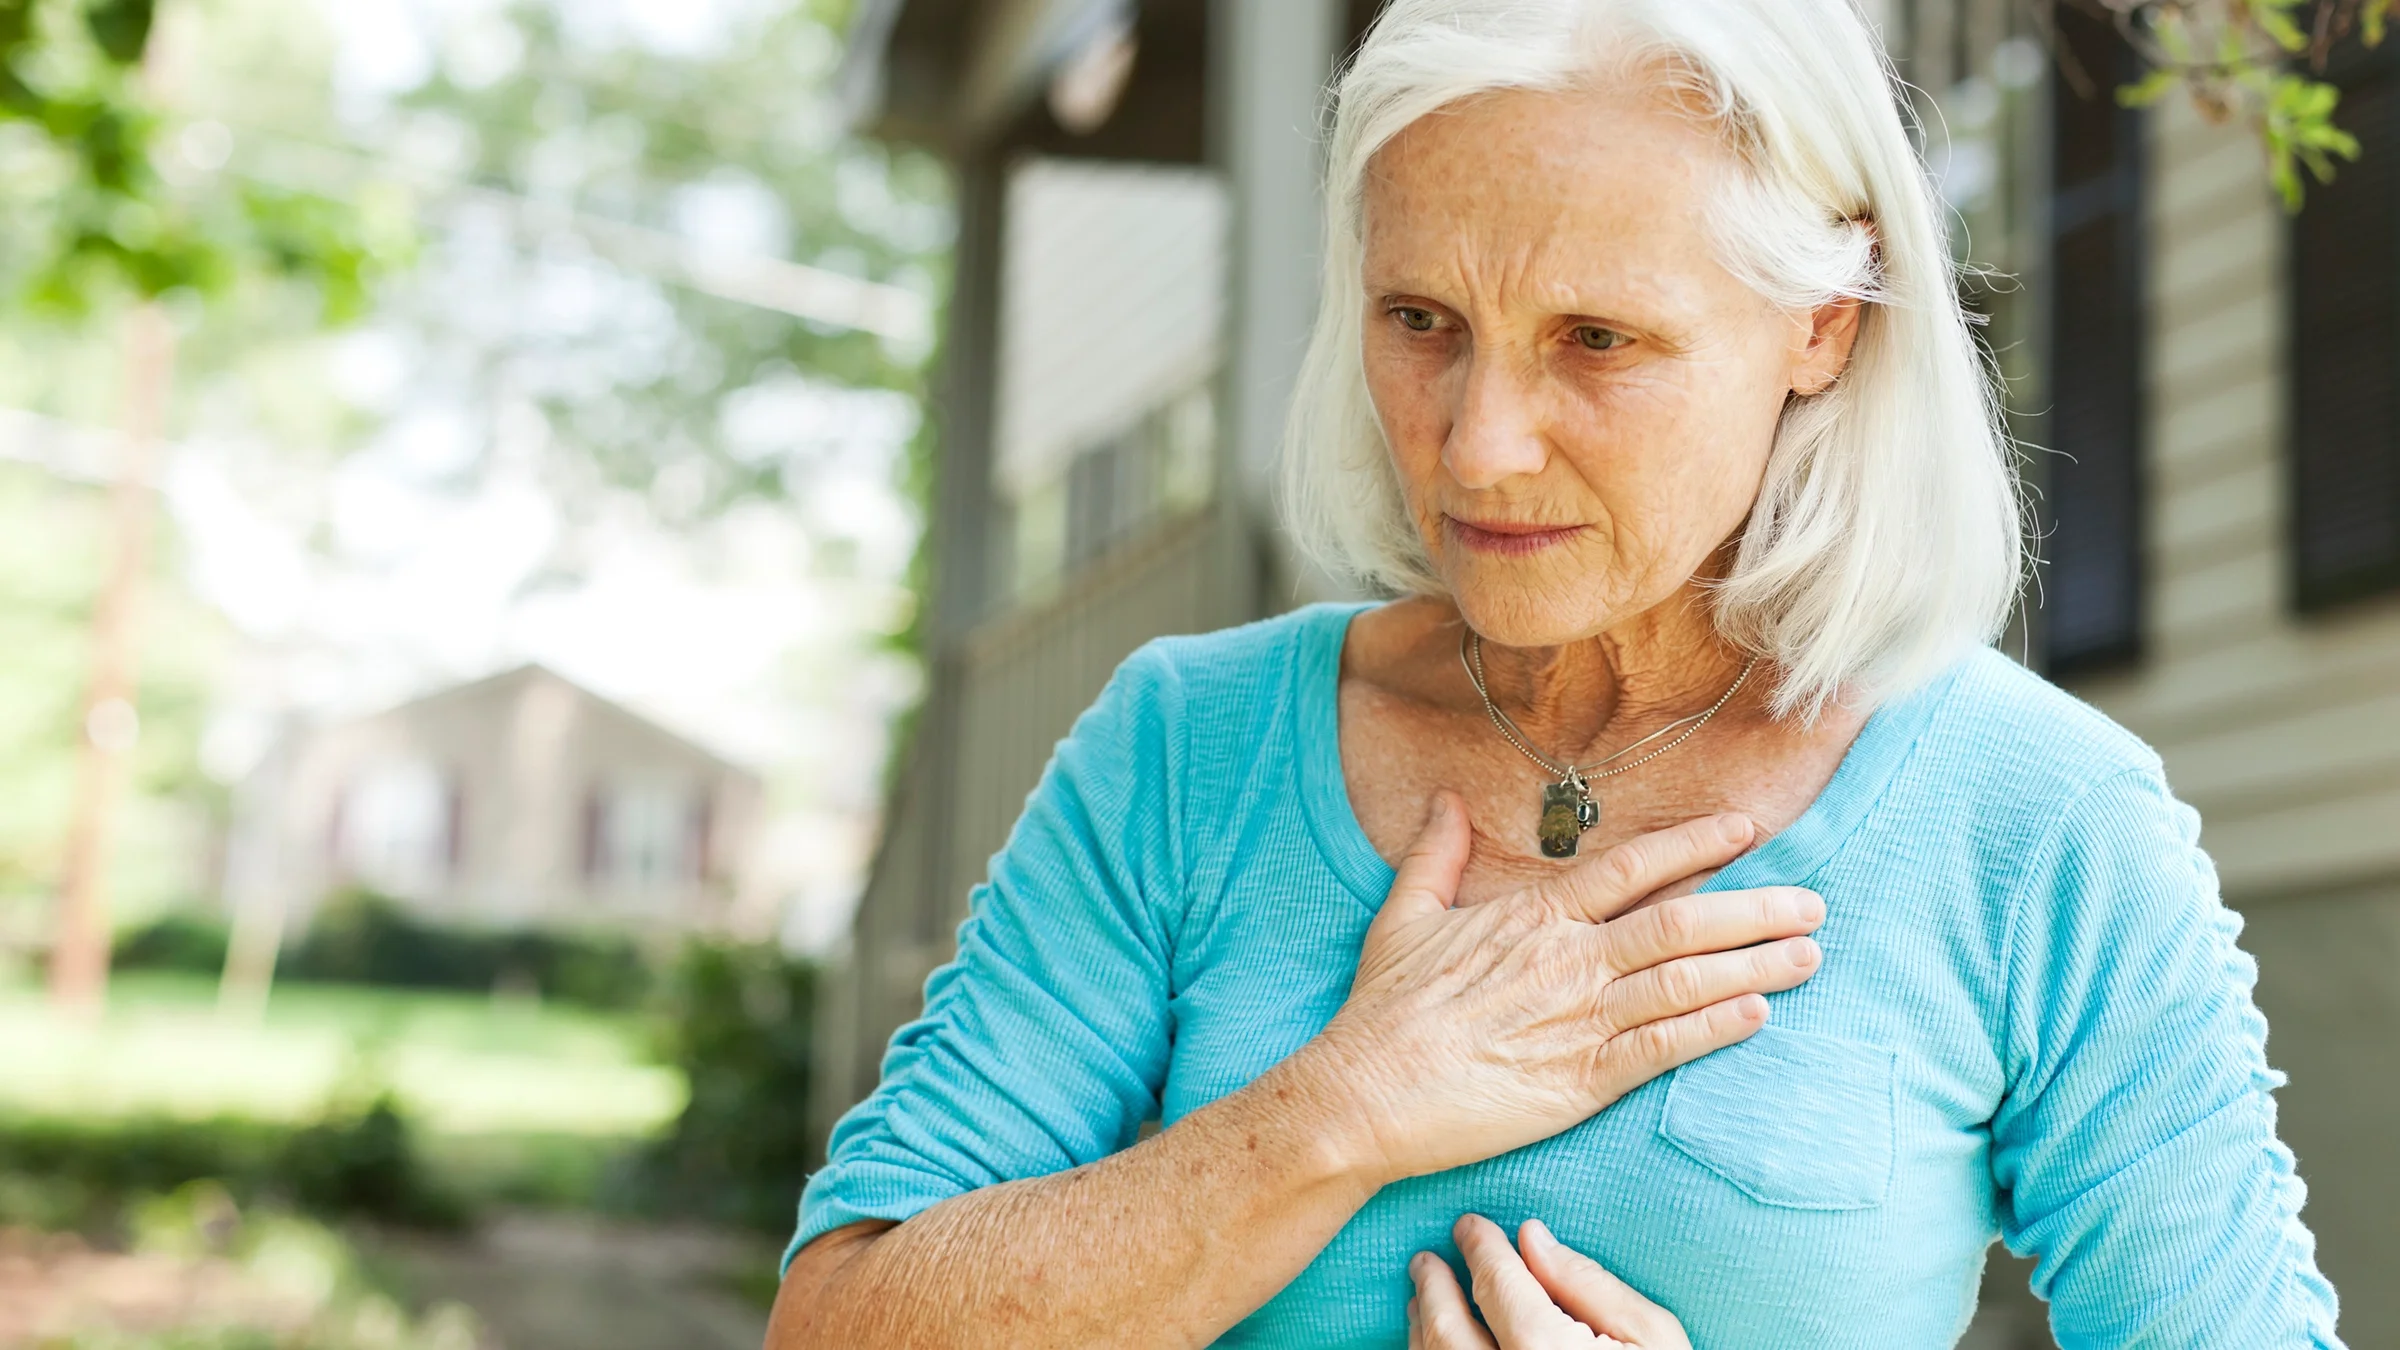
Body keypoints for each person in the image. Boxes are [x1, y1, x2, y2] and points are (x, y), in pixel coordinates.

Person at [767, 0, 2345, 1345]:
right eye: (1421, 319)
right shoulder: (1187, 747)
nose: (1478, 442)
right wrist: (1336, 1109)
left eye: (1596, 337)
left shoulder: (2041, 821)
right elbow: (843, 1316)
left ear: (1825, 321)